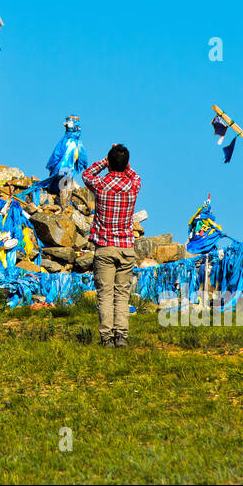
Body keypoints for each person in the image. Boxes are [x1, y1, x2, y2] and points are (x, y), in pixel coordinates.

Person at [82, 144, 142, 348]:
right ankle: (122, 336)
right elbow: (132, 173)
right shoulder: (134, 185)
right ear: (126, 164)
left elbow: (87, 174)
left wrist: (105, 161)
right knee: (122, 294)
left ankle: (106, 338)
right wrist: (121, 160)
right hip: (126, 247)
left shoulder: (100, 184)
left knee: (105, 294)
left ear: (109, 163)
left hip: (105, 247)